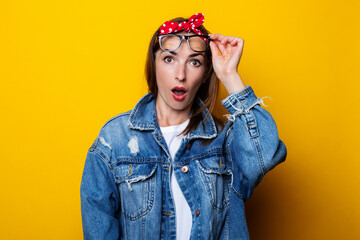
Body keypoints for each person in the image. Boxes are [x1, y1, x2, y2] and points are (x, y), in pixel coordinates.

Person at [80, 12, 287, 240]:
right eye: (169, 59)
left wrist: (230, 76)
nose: (181, 75)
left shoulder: (225, 141)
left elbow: (265, 155)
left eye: (194, 62)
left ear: (206, 72)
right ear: (154, 63)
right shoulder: (114, 140)